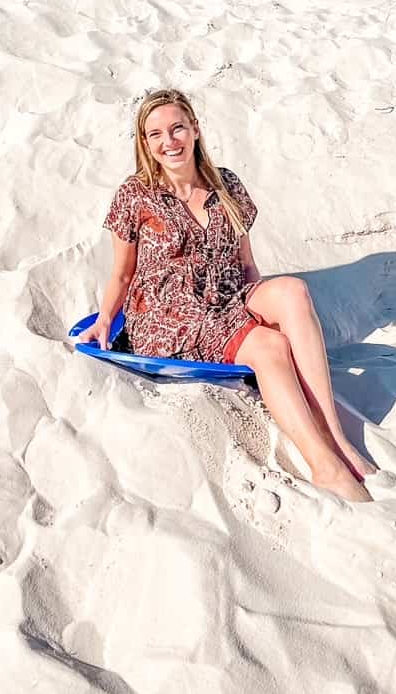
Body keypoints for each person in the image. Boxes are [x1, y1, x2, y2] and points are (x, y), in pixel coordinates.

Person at [75, 88, 376, 504]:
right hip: (169, 316)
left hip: (226, 297)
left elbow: (247, 264)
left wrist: (265, 308)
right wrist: (105, 319)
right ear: (144, 143)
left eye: (177, 128)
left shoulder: (226, 183)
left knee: (292, 290)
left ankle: (333, 432)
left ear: (195, 129)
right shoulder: (135, 194)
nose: (169, 141)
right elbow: (123, 273)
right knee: (269, 347)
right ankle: (323, 466)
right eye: (155, 134)